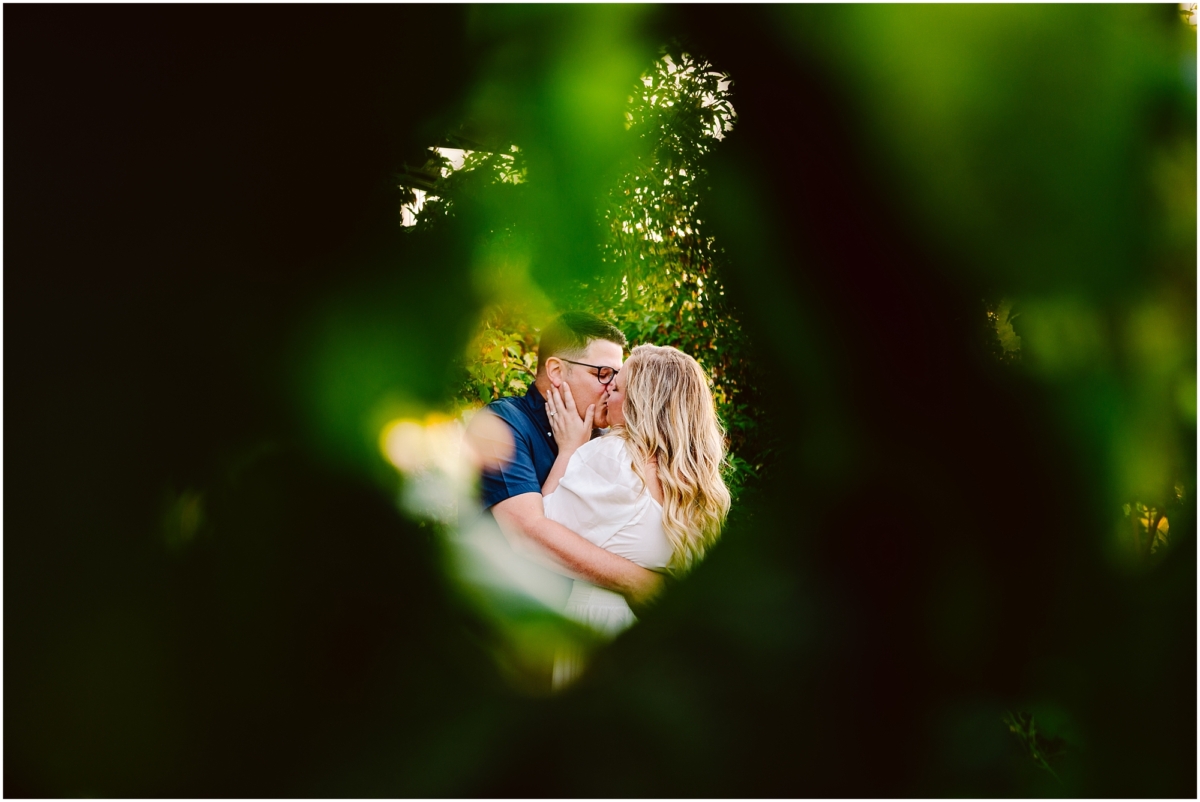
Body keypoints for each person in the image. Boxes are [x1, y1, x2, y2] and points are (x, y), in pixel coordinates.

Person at [541, 344, 732, 687]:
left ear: (640, 402)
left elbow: (540, 529)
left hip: (600, 627)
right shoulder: (698, 486)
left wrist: (569, 449)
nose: (606, 394)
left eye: (615, 388)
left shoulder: (614, 458)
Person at [466, 312, 665, 612]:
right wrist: (639, 582)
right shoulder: (502, 425)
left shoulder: (608, 438)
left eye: (617, 376)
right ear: (557, 371)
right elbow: (526, 535)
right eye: (603, 373)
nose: (612, 387)